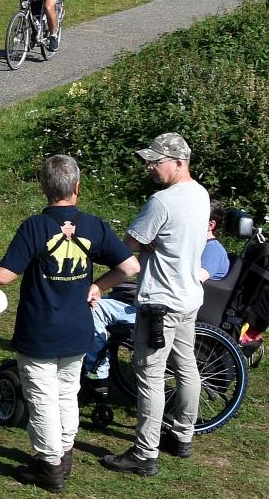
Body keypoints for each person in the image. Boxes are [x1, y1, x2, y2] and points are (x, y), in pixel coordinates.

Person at [0, 155, 138, 492]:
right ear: (77, 187)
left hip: (40, 330)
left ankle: (49, 465)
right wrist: (98, 285)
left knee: (43, 397)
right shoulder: (94, 226)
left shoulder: (35, 227)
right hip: (78, 329)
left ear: (43, 187)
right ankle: (65, 454)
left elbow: (4, 275)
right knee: (67, 393)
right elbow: (130, 267)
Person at [102, 132, 211, 477]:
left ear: (179, 163)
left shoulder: (161, 202)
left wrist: (146, 245)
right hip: (189, 298)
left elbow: (129, 245)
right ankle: (182, 436)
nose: (149, 167)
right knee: (187, 366)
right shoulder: (201, 194)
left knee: (150, 375)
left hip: (159, 303)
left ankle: (145, 452)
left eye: (156, 161)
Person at [85, 200, 229, 381]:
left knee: (94, 308)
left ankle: (97, 375)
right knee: (102, 301)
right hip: (162, 304)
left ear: (210, 225)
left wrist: (160, 254)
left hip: (168, 313)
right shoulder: (195, 246)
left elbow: (190, 281)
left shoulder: (213, 251)